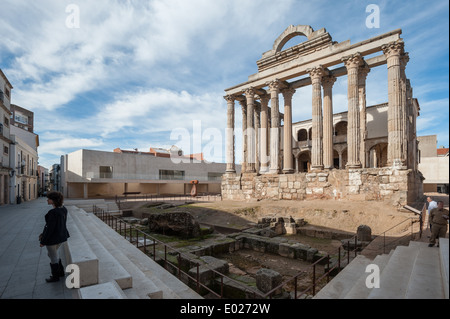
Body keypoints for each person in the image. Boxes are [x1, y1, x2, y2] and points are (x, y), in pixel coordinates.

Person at [39, 191, 70, 282]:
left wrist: (43, 241)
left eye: (48, 199)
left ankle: (55, 276)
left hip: (53, 238)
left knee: (53, 256)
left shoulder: (53, 212)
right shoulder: (63, 209)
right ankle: (60, 272)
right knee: (53, 254)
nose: (47, 200)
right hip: (61, 236)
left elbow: (49, 229)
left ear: (53, 201)